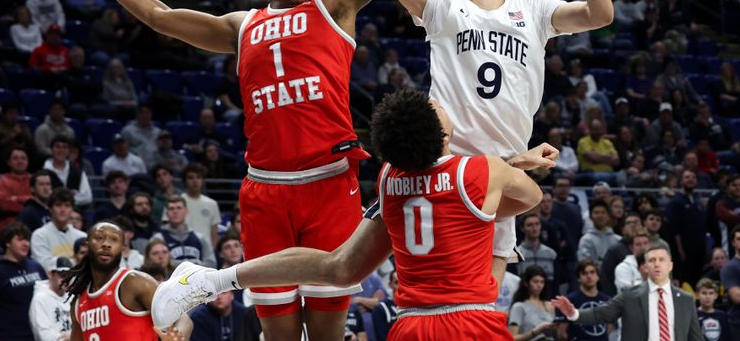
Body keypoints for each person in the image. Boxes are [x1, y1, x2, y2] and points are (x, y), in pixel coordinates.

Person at [57, 0, 492, 341]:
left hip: (330, 181)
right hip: (265, 189)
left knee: (330, 332)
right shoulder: (243, 26)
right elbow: (162, 16)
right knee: (281, 335)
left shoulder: (334, 3)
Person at [358, 0, 613, 287]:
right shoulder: (443, 3)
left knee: (480, 301)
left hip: (501, 177)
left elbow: (600, 15)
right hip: (439, 166)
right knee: (413, 284)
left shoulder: (533, 9)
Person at [150, 90, 554, 339]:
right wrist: (512, 165)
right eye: (436, 107)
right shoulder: (482, 170)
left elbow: (347, 266)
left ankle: (215, 278)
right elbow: (529, 198)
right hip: (467, 323)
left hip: (411, 324)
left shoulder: (389, 178)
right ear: (442, 134)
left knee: (338, 266)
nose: (441, 105)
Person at [63, 221, 191, 341]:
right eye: (99, 238)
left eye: (114, 240)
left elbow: (184, 319)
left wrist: (177, 338)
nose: (106, 244)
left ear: (122, 248)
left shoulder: (135, 283)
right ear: (88, 244)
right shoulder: (79, 303)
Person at [553, 241, 703, 341]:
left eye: (661, 260)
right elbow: (600, 314)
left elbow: (696, 337)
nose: (657, 264)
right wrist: (574, 313)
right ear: (645, 267)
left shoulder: (685, 299)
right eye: (651, 260)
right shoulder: (629, 295)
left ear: (670, 265)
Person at [0, 222, 48, 341]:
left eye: (27, 240)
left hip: (38, 335)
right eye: (20, 240)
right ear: (7, 243)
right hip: (8, 336)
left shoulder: (36, 267)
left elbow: (49, 298)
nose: (26, 244)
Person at [30, 187, 85, 272]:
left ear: (72, 209)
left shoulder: (82, 236)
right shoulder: (39, 235)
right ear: (50, 208)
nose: (63, 210)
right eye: (58, 205)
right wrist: (75, 260)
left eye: (67, 205)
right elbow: (45, 266)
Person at [151, 196, 215, 267]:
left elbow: (212, 263)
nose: (175, 211)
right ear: (167, 213)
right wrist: (193, 264)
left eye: (179, 208)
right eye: (171, 208)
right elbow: (154, 263)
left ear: (186, 211)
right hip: (169, 277)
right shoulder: (158, 239)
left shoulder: (200, 238)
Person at [557, 259, 612, 341]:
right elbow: (561, 334)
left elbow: (607, 328)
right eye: (584, 273)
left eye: (592, 272)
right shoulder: (570, 300)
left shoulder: (607, 300)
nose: (589, 276)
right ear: (578, 278)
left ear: (598, 276)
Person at [29, 256, 73, 341]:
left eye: (69, 275)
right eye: (62, 275)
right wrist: (72, 336)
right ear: (50, 274)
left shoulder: (72, 296)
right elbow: (45, 337)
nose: (67, 279)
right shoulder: (40, 299)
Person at [508, 265, 556, 340]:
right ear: (526, 283)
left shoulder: (549, 305)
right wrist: (535, 332)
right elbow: (512, 338)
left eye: (542, 282)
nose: (539, 285)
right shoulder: (519, 307)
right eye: (535, 281)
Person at [44, 135, 92, 208]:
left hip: (74, 214)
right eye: (57, 147)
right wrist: (71, 197)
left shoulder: (77, 171)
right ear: (51, 150)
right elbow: (44, 197)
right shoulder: (43, 172)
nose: (61, 150)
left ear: (68, 151)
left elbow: (87, 197)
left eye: (65, 147)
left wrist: (61, 202)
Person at [180, 163, 221, 249]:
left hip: (206, 251)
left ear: (203, 180)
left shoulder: (212, 204)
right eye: (191, 177)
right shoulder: (177, 202)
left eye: (198, 177)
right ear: (185, 181)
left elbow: (214, 234)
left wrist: (211, 252)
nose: (195, 181)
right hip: (183, 249)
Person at [516, 212, 557, 293]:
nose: (534, 228)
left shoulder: (551, 254)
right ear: (522, 228)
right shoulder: (517, 255)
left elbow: (555, 283)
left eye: (537, 224)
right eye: (530, 225)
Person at [577, 200, 621, 269]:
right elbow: (584, 263)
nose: (600, 216)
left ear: (608, 216)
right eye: (596, 213)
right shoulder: (585, 240)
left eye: (603, 213)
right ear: (590, 217)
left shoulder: (618, 239)